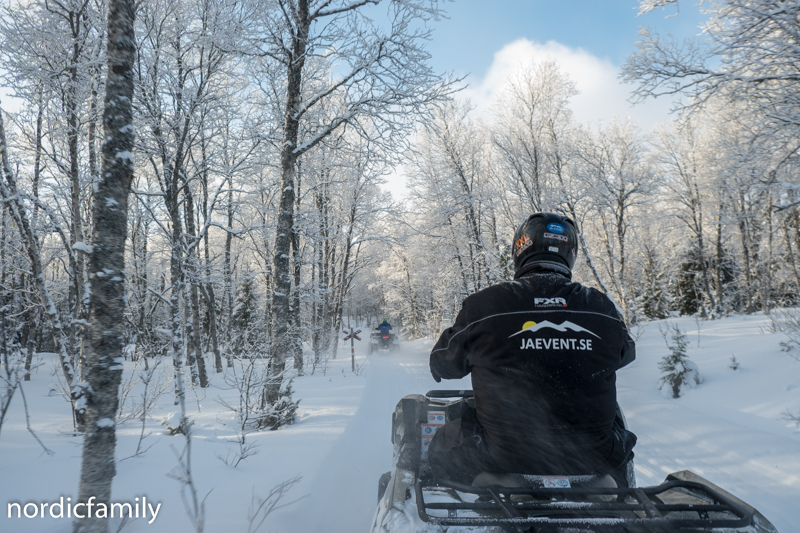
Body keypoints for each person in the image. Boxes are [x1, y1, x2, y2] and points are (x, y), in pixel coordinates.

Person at [427, 212, 637, 487]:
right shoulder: (602, 309)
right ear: (570, 252)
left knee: (439, 447)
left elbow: (443, 364)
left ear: (520, 249)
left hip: (503, 457)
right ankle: (611, 493)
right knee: (618, 430)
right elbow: (626, 353)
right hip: (593, 458)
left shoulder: (485, 307)